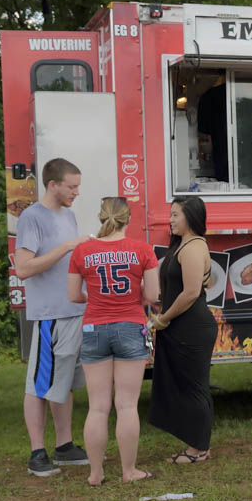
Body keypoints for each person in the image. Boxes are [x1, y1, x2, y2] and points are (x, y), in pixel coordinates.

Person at [67, 197, 159, 484]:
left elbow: (73, 296)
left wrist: (93, 297)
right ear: (128, 219)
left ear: (100, 217)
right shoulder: (142, 250)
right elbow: (154, 296)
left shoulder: (82, 251)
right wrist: (139, 293)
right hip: (130, 326)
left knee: (97, 407)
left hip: (94, 328)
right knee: (127, 406)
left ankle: (95, 473)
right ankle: (129, 471)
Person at [14, 158, 91, 477]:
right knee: (39, 384)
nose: (76, 192)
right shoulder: (32, 217)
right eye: (72, 187)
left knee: (65, 383)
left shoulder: (68, 215)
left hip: (74, 311)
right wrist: (66, 247)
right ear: (53, 185)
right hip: (50, 316)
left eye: (78, 186)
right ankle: (37, 452)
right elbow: (23, 268)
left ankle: (64, 446)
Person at [148, 196, 219, 465]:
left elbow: (190, 293)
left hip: (191, 327)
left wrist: (162, 318)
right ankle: (196, 442)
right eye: (170, 214)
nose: (171, 219)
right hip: (182, 326)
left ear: (190, 216)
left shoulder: (192, 247)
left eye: (176, 214)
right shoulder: (184, 245)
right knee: (188, 386)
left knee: (194, 387)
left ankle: (199, 448)